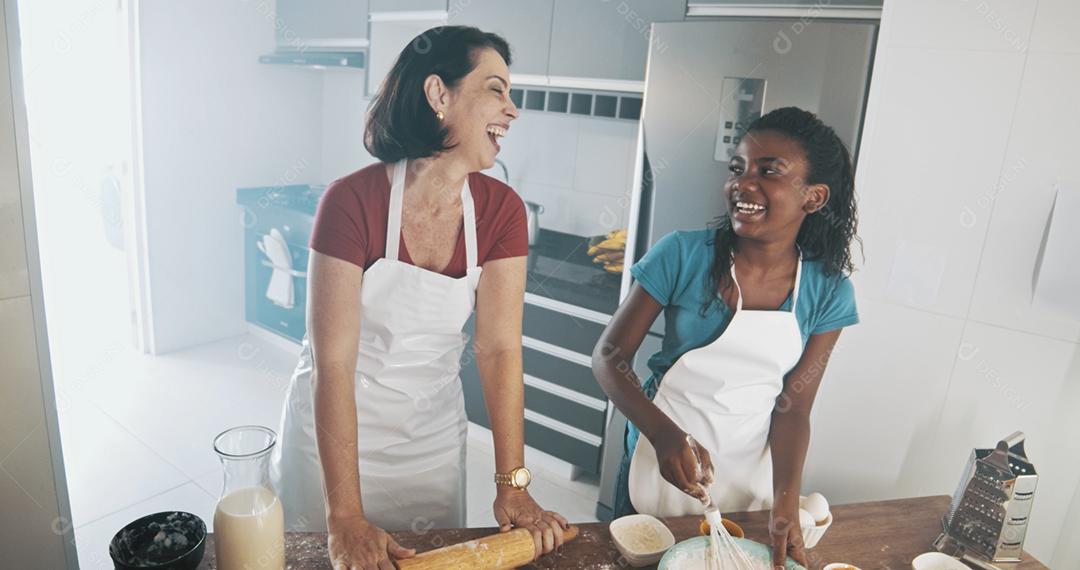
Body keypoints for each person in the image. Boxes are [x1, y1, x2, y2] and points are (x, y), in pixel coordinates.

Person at [270, 26, 568, 569]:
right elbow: (332, 364)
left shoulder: (502, 212)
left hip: (427, 443)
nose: (513, 109)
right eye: (497, 89)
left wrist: (512, 483)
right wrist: (344, 517)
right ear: (439, 95)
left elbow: (499, 349)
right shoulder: (351, 202)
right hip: (332, 442)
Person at [593, 107, 861, 568]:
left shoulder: (829, 290)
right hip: (661, 459)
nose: (743, 183)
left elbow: (793, 407)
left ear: (813, 197)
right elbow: (609, 357)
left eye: (768, 171)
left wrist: (784, 504)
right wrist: (661, 434)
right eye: (738, 168)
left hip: (749, 482)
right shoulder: (681, 254)